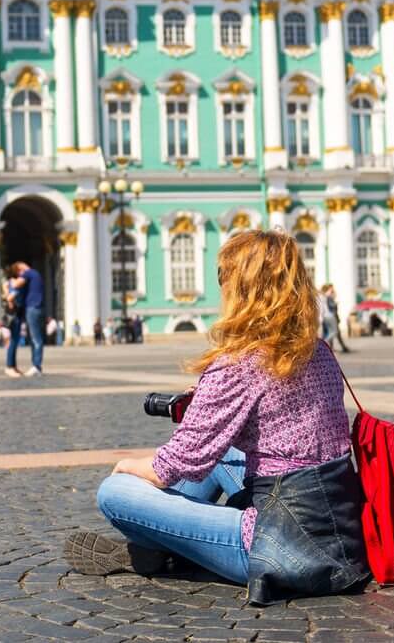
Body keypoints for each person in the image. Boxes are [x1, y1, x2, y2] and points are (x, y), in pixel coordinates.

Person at [63, 229, 368, 603]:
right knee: (222, 451)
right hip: (338, 530)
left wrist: (128, 465)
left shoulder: (239, 364)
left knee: (114, 493)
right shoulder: (318, 350)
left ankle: (169, 547)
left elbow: (174, 464)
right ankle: (179, 540)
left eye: (224, 280)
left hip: (278, 545)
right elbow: (277, 427)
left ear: (242, 290)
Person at [319, 284, 350, 353]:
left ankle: (328, 347)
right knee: (334, 332)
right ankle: (323, 344)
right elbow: (324, 308)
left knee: (328, 333)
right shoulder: (326, 297)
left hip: (327, 316)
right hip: (329, 316)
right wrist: (335, 303)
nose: (332, 290)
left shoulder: (323, 296)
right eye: (331, 289)